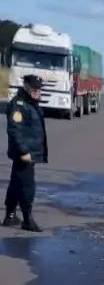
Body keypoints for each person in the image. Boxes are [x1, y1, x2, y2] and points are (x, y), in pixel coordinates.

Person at [4, 74, 48, 232]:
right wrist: (24, 151)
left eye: (39, 90)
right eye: (34, 89)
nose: (37, 92)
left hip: (29, 151)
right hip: (25, 153)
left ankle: (10, 215)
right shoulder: (19, 105)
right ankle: (27, 219)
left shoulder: (30, 103)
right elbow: (15, 130)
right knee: (27, 185)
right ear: (26, 87)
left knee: (16, 182)